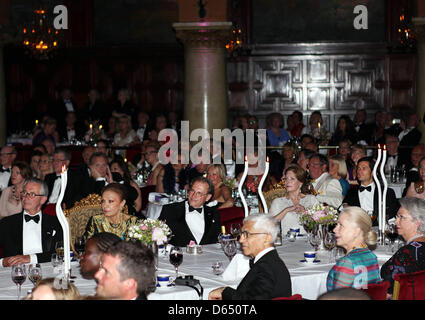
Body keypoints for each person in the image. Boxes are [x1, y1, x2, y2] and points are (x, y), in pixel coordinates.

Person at [208, 214, 291, 300]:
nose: (240, 240)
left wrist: (225, 292)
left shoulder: (266, 267)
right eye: (242, 234)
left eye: (246, 234)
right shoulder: (269, 261)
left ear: (267, 238)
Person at [0, 178, 63, 266]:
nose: (26, 197)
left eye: (32, 194)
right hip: (15, 272)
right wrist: (2, 262)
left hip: (48, 270)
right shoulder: (6, 223)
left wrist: (29, 258)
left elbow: (60, 254)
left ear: (43, 199)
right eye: (24, 193)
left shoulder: (56, 222)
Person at [326, 206, 381, 291]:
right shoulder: (371, 256)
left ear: (356, 231)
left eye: (341, 225)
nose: (334, 230)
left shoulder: (347, 263)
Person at [380, 197, 425, 297]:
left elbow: (387, 291)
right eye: (397, 217)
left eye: (401, 217)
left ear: (418, 222)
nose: (396, 222)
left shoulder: (406, 253)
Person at [158, 176, 221, 246]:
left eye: (199, 193)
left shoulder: (213, 214)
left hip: (208, 256)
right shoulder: (170, 210)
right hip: (179, 255)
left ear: (208, 197)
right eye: (192, 191)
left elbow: (217, 241)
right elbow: (158, 237)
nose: (194, 195)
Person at [342, 157, 400, 226]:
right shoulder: (351, 192)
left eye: (364, 168)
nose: (359, 171)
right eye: (358, 168)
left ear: (373, 172)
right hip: (357, 229)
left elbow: (393, 215)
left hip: (379, 228)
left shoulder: (386, 192)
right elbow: (342, 208)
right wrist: (345, 206)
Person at [269, 164, 318, 235]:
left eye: (292, 179)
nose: (287, 182)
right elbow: (269, 224)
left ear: (300, 182)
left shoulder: (311, 199)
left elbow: (320, 222)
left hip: (307, 241)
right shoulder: (278, 201)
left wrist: (305, 212)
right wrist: (286, 210)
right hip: (286, 242)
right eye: (286, 179)